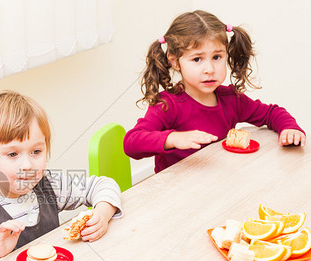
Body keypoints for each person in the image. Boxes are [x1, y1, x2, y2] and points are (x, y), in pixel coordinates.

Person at [0, 91, 123, 261]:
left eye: (36, 151)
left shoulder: (50, 187)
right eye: (13, 154)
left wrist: (103, 213)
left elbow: (103, 184)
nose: (27, 165)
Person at [123, 10, 306, 173]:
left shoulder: (231, 99)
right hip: (176, 194)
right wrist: (172, 138)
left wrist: (289, 128)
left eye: (217, 57)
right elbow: (131, 143)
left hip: (218, 183)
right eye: (197, 59)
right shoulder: (167, 105)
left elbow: (271, 113)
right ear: (175, 62)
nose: (209, 69)